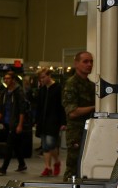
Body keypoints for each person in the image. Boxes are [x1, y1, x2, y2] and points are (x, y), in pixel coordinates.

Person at [62, 50, 96, 179]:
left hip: (90, 131)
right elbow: (72, 112)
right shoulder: (71, 84)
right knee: (73, 168)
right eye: (85, 61)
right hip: (76, 133)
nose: (89, 64)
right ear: (76, 64)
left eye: (91, 61)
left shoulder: (91, 85)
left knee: (86, 168)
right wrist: (95, 107)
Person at [0, 72, 28, 175]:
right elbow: (1, 109)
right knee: (16, 145)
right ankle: (22, 164)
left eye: (8, 78)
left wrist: (20, 125)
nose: (6, 80)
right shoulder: (4, 93)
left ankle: (3, 168)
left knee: (9, 146)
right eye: (5, 78)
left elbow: (22, 110)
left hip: (15, 123)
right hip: (7, 122)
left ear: (13, 80)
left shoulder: (18, 92)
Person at [36, 68, 66, 176]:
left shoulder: (58, 88)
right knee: (45, 145)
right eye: (40, 78)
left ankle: (57, 162)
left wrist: (63, 122)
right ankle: (48, 167)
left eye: (43, 77)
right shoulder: (42, 89)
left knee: (50, 143)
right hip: (43, 120)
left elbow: (62, 106)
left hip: (54, 120)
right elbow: (39, 106)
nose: (42, 80)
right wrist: (36, 120)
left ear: (49, 76)